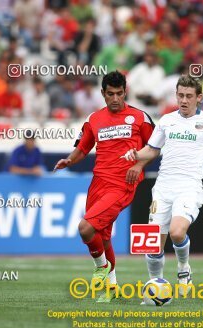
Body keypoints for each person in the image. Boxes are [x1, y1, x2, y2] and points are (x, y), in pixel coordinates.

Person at [122, 75, 203, 297]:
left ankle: (183, 268)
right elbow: (152, 150)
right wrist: (136, 155)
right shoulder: (166, 121)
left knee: (177, 232)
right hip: (162, 187)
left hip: (189, 188)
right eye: (180, 95)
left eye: (188, 96)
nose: (183, 100)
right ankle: (155, 287)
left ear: (199, 98)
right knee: (153, 245)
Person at [53, 71, 155, 302]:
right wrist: (69, 159)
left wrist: (139, 166)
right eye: (111, 94)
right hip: (98, 181)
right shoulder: (93, 120)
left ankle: (101, 267)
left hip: (123, 183)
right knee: (102, 235)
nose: (116, 99)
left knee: (85, 228)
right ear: (103, 94)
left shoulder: (140, 118)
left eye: (120, 94)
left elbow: (155, 148)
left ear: (125, 92)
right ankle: (111, 288)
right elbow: (82, 148)